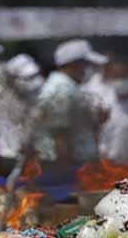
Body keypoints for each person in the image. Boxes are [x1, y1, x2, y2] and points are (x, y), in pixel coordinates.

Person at [32, 39, 108, 172]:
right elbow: (59, 134)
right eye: (87, 64)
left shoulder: (68, 86)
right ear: (75, 64)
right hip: (68, 165)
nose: (88, 69)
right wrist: (66, 172)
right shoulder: (62, 89)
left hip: (74, 163)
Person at [0, 54, 44, 174]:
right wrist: (0, 76)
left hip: (24, 154)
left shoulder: (35, 91)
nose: (30, 81)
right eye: (25, 78)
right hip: (3, 154)